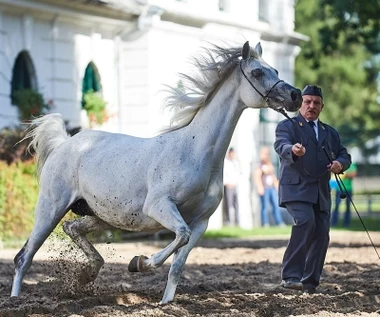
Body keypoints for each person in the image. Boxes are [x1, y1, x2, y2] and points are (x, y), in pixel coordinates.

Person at [274, 85, 351, 294]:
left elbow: (345, 155)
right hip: (296, 189)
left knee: (322, 234)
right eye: (307, 101)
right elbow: (281, 145)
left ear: (322, 106)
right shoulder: (287, 126)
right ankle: (290, 277)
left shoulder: (330, 133)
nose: (311, 106)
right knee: (305, 221)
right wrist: (293, 149)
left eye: (316, 103)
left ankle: (309, 282)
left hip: (321, 193)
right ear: (301, 104)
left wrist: (340, 164)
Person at [254, 146, 285, 227]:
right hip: (264, 188)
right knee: (264, 207)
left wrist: (277, 185)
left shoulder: (270, 164)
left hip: (271, 188)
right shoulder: (260, 165)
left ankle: (279, 222)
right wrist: (259, 187)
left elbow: (273, 176)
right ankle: (265, 223)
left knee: (275, 205)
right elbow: (257, 177)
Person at [331, 162, 357, 227]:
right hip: (339, 189)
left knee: (348, 207)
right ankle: (333, 223)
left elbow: (353, 174)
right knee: (336, 206)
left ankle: (346, 224)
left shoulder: (352, 165)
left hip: (348, 189)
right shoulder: (338, 163)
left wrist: (344, 174)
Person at [223, 147, 240, 226]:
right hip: (228, 185)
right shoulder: (226, 162)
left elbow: (237, 173)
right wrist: (227, 183)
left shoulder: (235, 162)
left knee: (236, 204)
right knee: (228, 204)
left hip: (234, 185)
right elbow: (224, 173)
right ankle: (227, 220)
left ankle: (236, 220)